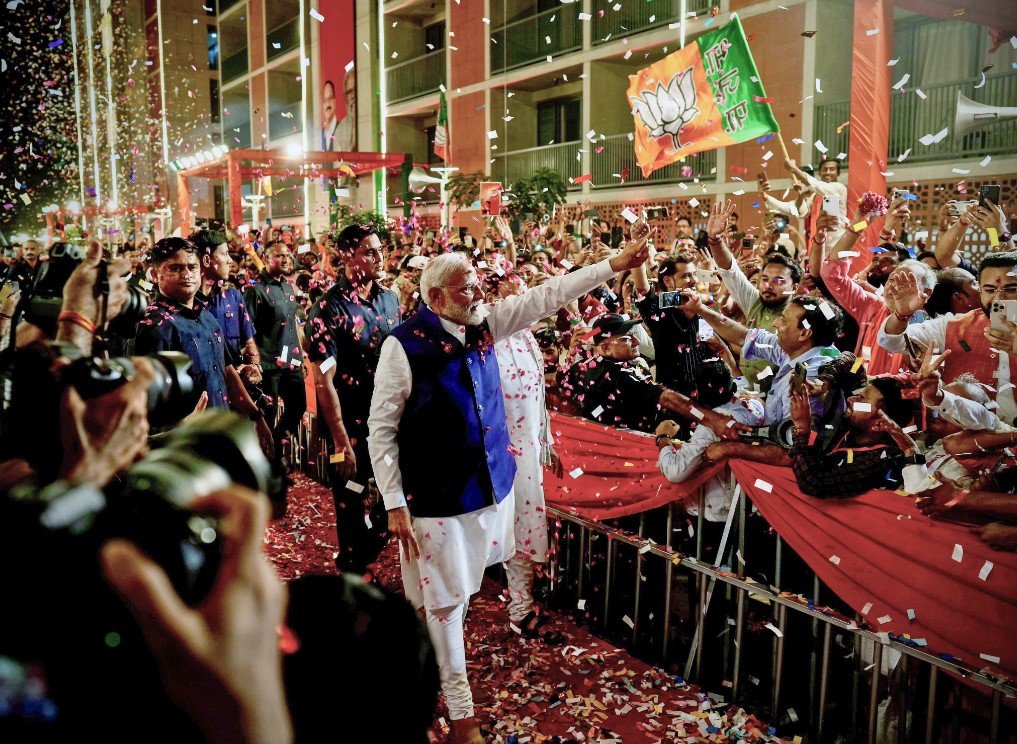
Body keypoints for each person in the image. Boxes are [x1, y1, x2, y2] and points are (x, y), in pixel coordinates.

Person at [365, 241, 656, 743]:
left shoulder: (483, 326)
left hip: (490, 490)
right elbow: (380, 428)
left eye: (477, 282)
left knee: (451, 594)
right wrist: (393, 500)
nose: (478, 291)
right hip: (435, 502)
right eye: (465, 288)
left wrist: (614, 266)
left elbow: (548, 296)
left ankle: (420, 656)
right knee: (447, 605)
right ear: (436, 297)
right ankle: (463, 718)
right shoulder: (402, 345)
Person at [305, 224, 400, 575]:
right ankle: (351, 567)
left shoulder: (390, 299)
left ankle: (361, 551)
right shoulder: (328, 309)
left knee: (395, 495)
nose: (378, 256)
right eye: (368, 251)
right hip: (348, 424)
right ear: (346, 257)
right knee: (351, 495)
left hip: (388, 420)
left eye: (379, 249)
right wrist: (341, 439)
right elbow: (323, 381)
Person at [489, 269, 565, 644]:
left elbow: (538, 399)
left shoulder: (528, 339)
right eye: (516, 291)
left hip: (526, 456)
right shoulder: (483, 338)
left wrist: (544, 439)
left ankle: (520, 608)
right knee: (475, 534)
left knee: (523, 530)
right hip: (487, 457)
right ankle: (447, 612)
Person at [878, 250, 1017, 425]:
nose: (999, 298)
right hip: (968, 440)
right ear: (980, 291)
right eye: (990, 290)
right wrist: (901, 315)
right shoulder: (953, 325)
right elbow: (892, 341)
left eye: (1011, 289)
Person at [817, 202, 937, 374]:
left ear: (925, 293)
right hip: (860, 394)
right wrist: (857, 226)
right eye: (893, 279)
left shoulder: (927, 325)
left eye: (905, 281)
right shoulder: (872, 305)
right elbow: (831, 273)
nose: (893, 286)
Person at [705, 200, 803, 390]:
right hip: (745, 388)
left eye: (778, 281)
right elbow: (730, 271)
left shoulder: (801, 316)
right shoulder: (756, 300)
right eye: (765, 279)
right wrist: (715, 240)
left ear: (796, 286)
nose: (768, 285)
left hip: (781, 395)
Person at [655, 359, 765, 522]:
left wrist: (663, 437)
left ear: (697, 392)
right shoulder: (753, 406)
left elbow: (675, 470)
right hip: (750, 506)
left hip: (719, 518)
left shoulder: (715, 425)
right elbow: (756, 400)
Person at [787, 375, 920, 497]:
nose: (850, 399)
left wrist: (801, 429)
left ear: (879, 424)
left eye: (861, 399)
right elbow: (849, 361)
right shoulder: (850, 425)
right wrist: (824, 384)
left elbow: (815, 483)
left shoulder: (883, 461)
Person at [135, 237, 228, 409]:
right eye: (175, 268)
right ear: (155, 275)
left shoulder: (206, 316)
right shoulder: (155, 327)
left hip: (221, 426)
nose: (187, 275)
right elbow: (148, 401)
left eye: (192, 267)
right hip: (186, 434)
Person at [244, 240, 305, 454]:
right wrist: (253, 363)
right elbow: (246, 330)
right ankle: (267, 464)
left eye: (288, 254)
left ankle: (277, 442)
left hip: (292, 362)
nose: (286, 258)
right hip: (268, 366)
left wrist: (302, 358)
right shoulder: (255, 290)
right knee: (267, 417)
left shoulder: (288, 286)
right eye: (279, 255)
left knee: (299, 406)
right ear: (267, 258)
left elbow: (293, 323)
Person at [192, 229, 262, 386]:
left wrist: (254, 366)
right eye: (224, 254)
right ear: (206, 260)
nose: (230, 260)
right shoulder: (186, 303)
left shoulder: (233, 297)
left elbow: (249, 342)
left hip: (236, 389)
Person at [630, 251, 706, 395]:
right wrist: (638, 250)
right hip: (673, 401)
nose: (694, 280)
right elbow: (642, 291)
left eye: (694, 274)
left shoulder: (704, 310)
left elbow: (712, 348)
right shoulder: (658, 310)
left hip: (706, 399)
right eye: (686, 276)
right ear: (668, 281)